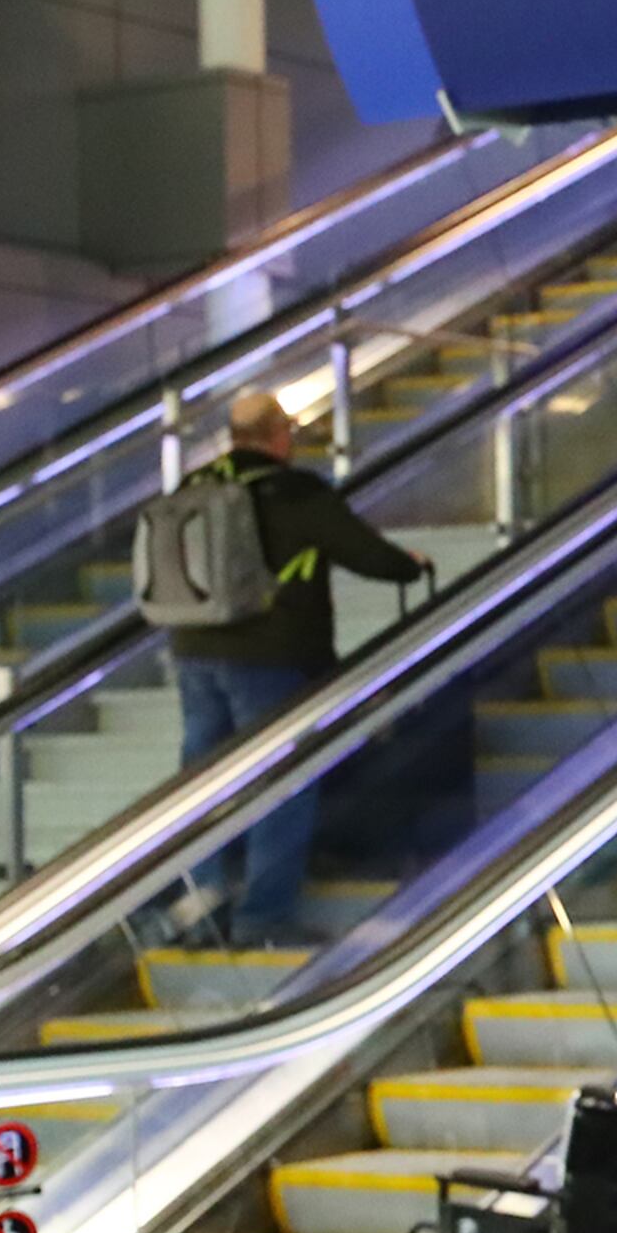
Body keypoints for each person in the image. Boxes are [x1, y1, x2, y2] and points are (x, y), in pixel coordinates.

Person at [163, 389, 429, 946]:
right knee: (282, 784)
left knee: (203, 781)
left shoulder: (193, 487)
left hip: (193, 651)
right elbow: (364, 552)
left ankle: (206, 901)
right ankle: (263, 918)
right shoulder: (296, 491)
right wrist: (408, 567)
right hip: (271, 660)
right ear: (280, 435)